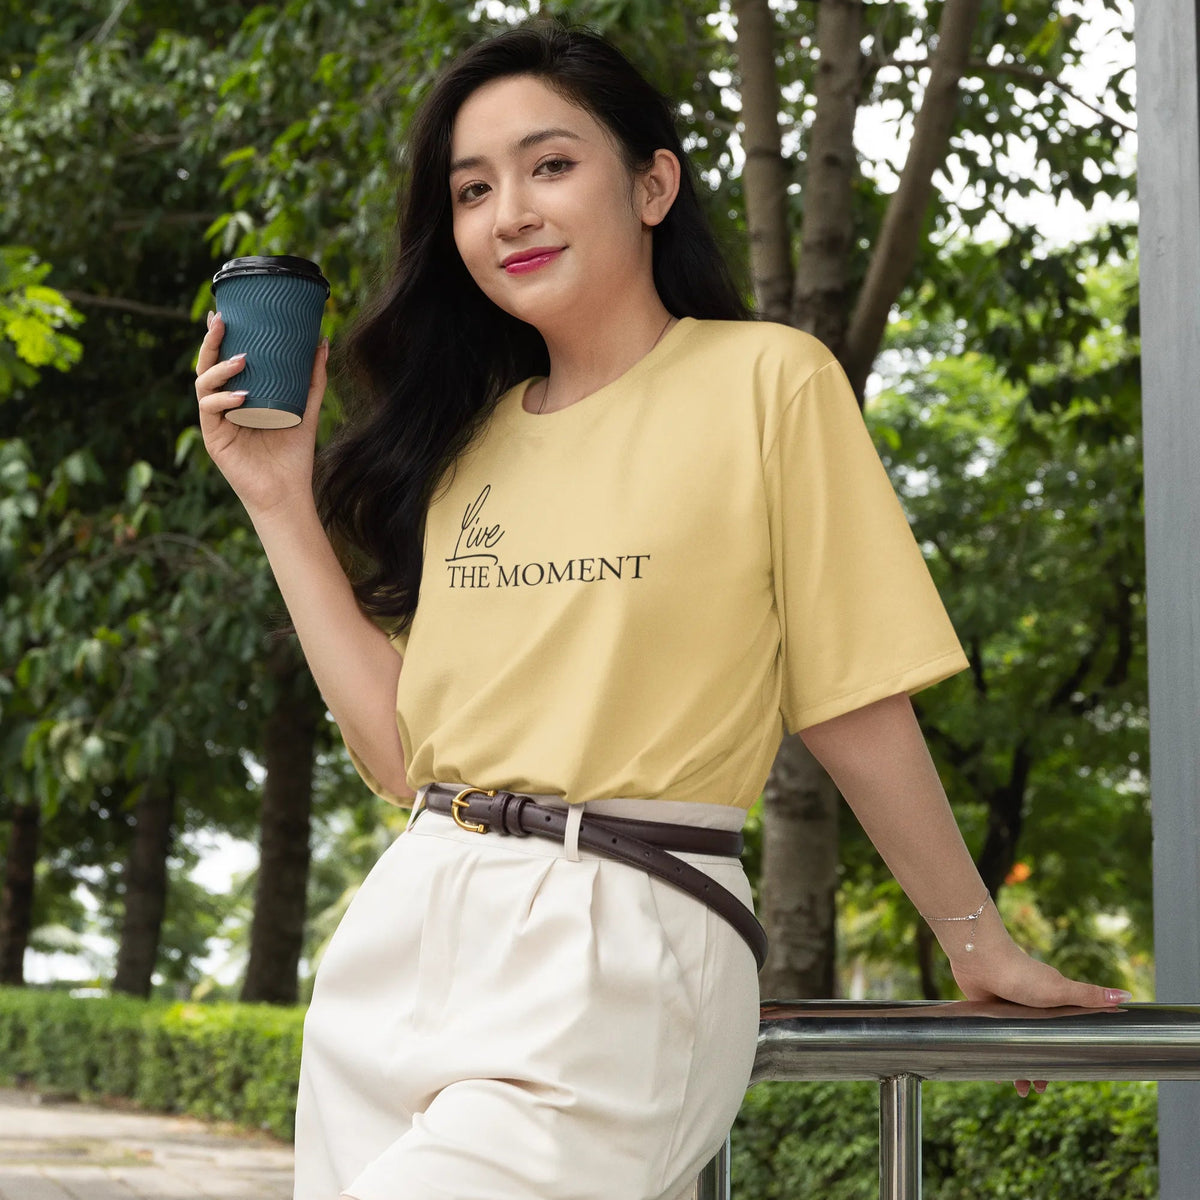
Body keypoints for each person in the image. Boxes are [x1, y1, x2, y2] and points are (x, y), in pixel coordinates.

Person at [193, 16, 1133, 1200]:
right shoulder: (469, 446)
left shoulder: (767, 380)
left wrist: (973, 934)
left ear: (651, 184)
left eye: (550, 165)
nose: (509, 213)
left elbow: (848, 691)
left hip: (625, 922)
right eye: (473, 189)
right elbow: (401, 751)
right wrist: (279, 503)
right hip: (409, 929)